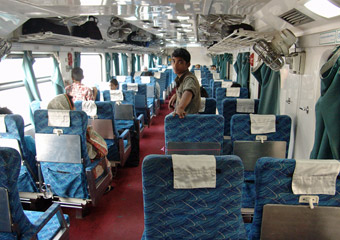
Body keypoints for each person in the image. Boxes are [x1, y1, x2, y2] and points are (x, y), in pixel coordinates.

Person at [168, 48, 201, 118]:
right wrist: (176, 95)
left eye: (180, 62)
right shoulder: (181, 78)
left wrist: (180, 107)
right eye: (173, 61)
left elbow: (188, 91)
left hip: (187, 120)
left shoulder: (189, 79)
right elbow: (184, 90)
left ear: (188, 64)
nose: (175, 65)